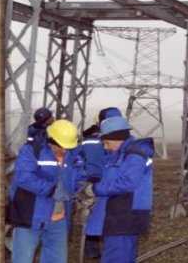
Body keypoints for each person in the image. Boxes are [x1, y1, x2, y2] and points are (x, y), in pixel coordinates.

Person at [7, 119, 85, 263]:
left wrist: (82, 189)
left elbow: (79, 177)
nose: (64, 150)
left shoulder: (72, 156)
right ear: (51, 140)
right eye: (61, 146)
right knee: (22, 259)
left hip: (59, 220)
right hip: (31, 217)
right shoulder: (31, 151)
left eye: (67, 147)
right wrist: (51, 190)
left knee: (56, 259)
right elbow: (24, 178)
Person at [84, 116, 154, 263]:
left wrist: (96, 189)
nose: (105, 147)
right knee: (121, 256)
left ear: (117, 139)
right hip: (118, 214)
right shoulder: (121, 155)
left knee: (116, 257)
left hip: (124, 216)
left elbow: (127, 183)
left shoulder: (133, 156)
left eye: (107, 142)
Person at [76, 106, 122, 260]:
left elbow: (78, 159)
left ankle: (91, 247)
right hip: (112, 182)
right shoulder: (120, 140)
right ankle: (111, 247)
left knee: (91, 215)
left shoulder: (87, 140)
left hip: (92, 181)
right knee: (112, 215)